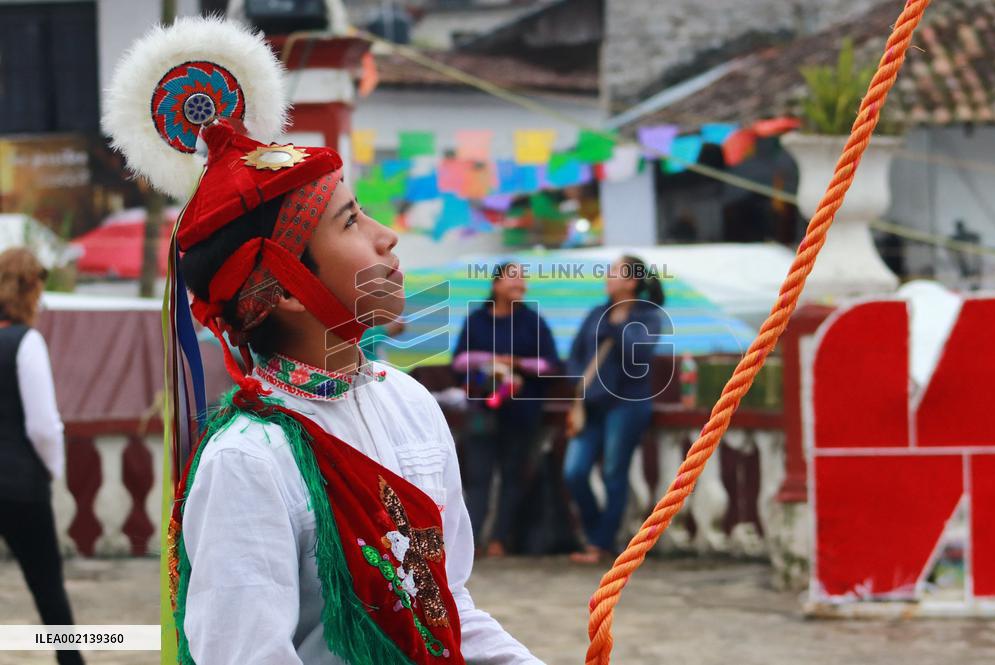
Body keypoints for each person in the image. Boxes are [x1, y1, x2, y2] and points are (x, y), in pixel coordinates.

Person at [105, 18, 544, 664]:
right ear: (282, 285)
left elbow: (449, 612)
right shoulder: (250, 461)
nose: (384, 234)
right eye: (349, 220)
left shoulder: (411, 403)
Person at [0, 248, 84, 665]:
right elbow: (43, 426)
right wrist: (53, 472)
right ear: (30, 288)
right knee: (49, 593)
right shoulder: (26, 342)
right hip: (20, 486)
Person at [452, 262, 559, 557]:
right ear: (496, 284)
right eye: (513, 278)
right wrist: (493, 361)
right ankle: (471, 541)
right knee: (478, 476)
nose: (519, 284)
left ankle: (500, 539)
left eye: (523, 279)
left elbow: (550, 364)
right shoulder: (477, 321)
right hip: (482, 412)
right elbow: (459, 361)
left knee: (513, 475)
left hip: (522, 414)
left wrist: (518, 365)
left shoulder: (533, 322)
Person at [563, 255, 664, 564]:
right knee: (574, 472)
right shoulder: (596, 313)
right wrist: (577, 384)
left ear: (631, 281)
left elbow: (641, 352)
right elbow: (576, 354)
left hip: (628, 404)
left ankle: (600, 544)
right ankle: (596, 533)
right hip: (591, 405)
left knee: (613, 473)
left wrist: (618, 328)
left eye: (614, 272)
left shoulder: (648, 315)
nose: (607, 277)